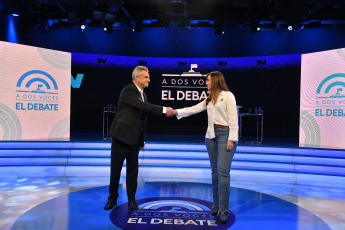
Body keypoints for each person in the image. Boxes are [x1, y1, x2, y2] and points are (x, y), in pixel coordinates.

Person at [104, 66, 174, 211]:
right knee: (115, 170)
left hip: (135, 139)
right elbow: (142, 106)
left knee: (133, 171)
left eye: (148, 77)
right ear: (136, 78)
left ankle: (131, 200)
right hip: (121, 137)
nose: (149, 79)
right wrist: (163, 110)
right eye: (146, 77)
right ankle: (112, 198)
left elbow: (142, 119)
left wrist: (142, 139)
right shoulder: (129, 90)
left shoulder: (144, 94)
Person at [172, 71, 238, 224]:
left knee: (223, 172)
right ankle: (215, 205)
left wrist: (232, 139)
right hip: (211, 137)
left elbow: (234, 119)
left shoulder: (228, 96)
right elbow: (194, 108)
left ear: (215, 81)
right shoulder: (209, 99)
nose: (206, 83)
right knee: (215, 171)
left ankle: (223, 209)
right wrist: (176, 112)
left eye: (208, 81)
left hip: (225, 135)